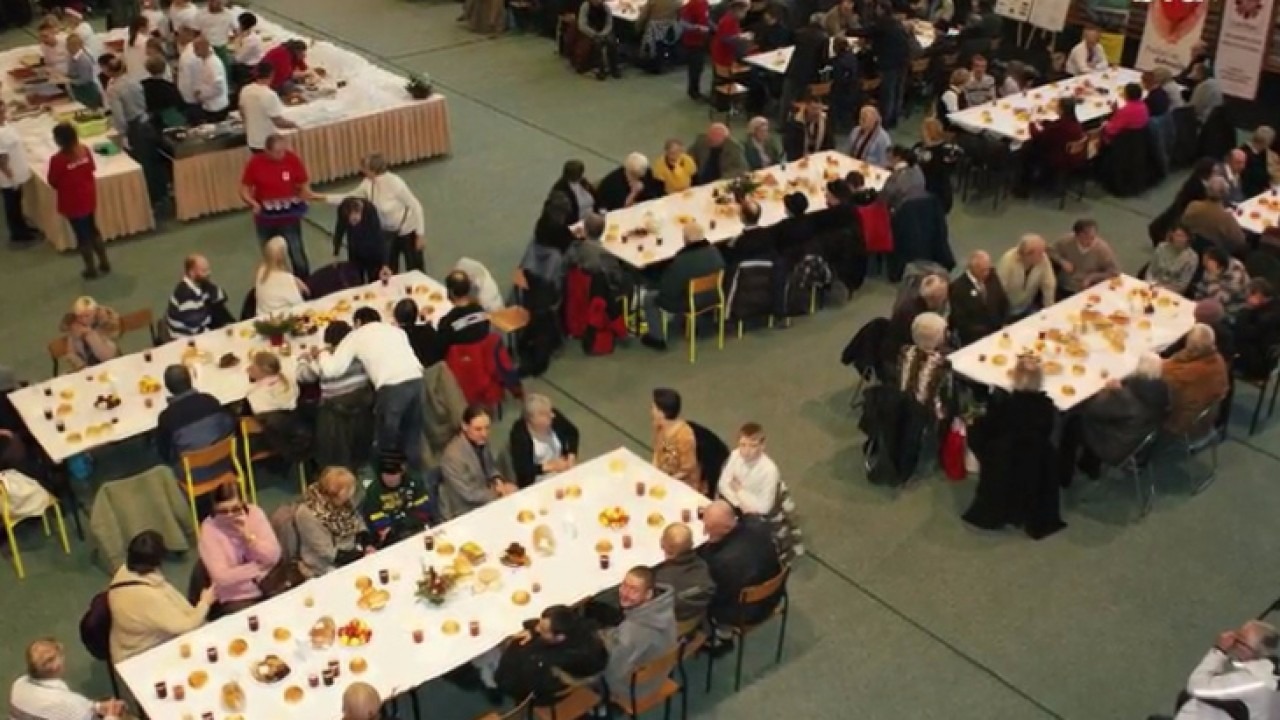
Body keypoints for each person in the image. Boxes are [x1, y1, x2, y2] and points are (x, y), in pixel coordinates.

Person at [314, 307, 426, 472]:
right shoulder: (396, 330)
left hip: (392, 388)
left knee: (387, 443)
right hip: (417, 381)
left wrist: (322, 354)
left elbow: (332, 370)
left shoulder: (355, 336)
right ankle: (417, 480)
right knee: (413, 437)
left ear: (358, 322)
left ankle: (387, 483)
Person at [963, 356, 1064, 539]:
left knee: (976, 432)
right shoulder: (1046, 406)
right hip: (1036, 460)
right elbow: (1048, 431)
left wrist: (972, 423)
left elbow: (989, 428)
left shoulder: (1004, 406)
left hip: (1003, 458)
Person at [109, 530, 214, 662]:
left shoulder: (124, 572)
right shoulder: (147, 597)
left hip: (132, 642)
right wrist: (205, 602)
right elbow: (185, 626)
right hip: (141, 655)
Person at [241, 134, 324, 277]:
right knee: (271, 256)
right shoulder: (255, 163)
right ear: (267, 151)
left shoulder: (291, 159)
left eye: (283, 151)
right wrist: (252, 203)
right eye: (278, 152)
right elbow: (244, 188)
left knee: (297, 252)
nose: (282, 155)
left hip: (289, 217)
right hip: (265, 219)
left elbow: (303, 182)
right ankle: (279, 282)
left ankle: (305, 283)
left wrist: (305, 195)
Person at [1159, 621, 1279, 720]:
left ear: (1249, 650)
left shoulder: (1253, 683)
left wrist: (1219, 650)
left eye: (1238, 640)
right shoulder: (1268, 676)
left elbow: (1196, 686)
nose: (1233, 643)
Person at [718, 422, 802, 562]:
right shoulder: (735, 456)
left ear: (762, 447)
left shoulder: (770, 470)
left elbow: (764, 507)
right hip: (746, 506)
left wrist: (739, 491)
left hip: (767, 511)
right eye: (743, 445)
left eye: (752, 446)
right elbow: (723, 485)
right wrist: (741, 504)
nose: (746, 451)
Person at [698, 500, 783, 638]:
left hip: (747, 612)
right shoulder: (759, 526)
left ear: (724, 528)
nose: (705, 532)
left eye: (709, 528)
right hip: (774, 595)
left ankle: (721, 634)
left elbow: (717, 596)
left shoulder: (722, 560)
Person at [493, 604, 608, 703]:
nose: (537, 629)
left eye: (542, 630)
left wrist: (517, 647)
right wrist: (533, 631)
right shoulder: (583, 629)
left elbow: (525, 686)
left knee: (515, 647)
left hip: (552, 694)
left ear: (559, 637)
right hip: (586, 678)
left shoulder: (545, 658)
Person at [197, 482, 281, 615]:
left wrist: (250, 540)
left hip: (269, 582)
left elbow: (274, 555)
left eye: (236, 508)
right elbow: (221, 577)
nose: (230, 515)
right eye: (223, 511)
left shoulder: (254, 514)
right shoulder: (209, 530)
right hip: (236, 595)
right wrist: (257, 568)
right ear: (214, 509)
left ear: (243, 503)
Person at [639, 221, 724, 351]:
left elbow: (668, 291)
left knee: (650, 298)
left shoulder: (682, 261)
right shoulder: (715, 252)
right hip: (713, 295)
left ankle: (657, 338)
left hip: (689, 301)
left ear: (685, 239)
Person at [1078, 352, 1170, 468]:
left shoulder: (1128, 400)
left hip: (1117, 446)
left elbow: (1093, 410)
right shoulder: (1162, 391)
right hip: (1139, 439)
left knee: (1077, 418)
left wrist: (1108, 393)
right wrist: (1120, 392)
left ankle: (1088, 465)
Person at [341, 154, 427, 272]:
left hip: (407, 231)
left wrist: (420, 235)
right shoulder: (367, 183)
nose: (362, 170)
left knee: (415, 269)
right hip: (387, 233)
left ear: (373, 170)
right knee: (389, 269)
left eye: (364, 168)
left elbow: (416, 206)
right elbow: (349, 197)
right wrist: (322, 198)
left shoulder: (395, 183)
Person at [602, 567, 677, 698]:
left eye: (634, 590)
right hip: (661, 671)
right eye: (624, 586)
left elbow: (612, 672)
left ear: (648, 594)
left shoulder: (632, 632)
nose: (625, 593)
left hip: (637, 687)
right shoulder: (663, 606)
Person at [102, 57, 165, 213]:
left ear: (109, 72)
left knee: (142, 163)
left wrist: (122, 134)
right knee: (153, 160)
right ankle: (161, 194)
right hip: (146, 121)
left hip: (135, 127)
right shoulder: (134, 81)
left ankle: (149, 200)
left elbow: (119, 115)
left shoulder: (114, 89)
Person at [280, 467, 368, 577]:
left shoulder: (342, 501)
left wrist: (366, 541)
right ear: (335, 493)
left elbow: (356, 521)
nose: (351, 496)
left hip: (350, 552)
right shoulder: (307, 513)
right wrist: (360, 556)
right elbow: (326, 552)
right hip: (323, 567)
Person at [48, 123, 109, 279]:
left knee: (82, 236)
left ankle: (90, 269)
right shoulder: (84, 151)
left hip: (73, 202)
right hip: (88, 197)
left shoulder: (58, 160)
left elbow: (53, 181)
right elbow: (92, 169)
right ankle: (104, 261)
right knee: (93, 229)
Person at [10, 639, 126, 720]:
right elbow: (72, 709)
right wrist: (111, 715)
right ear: (57, 667)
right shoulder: (69, 704)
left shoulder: (18, 684)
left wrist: (97, 707)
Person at [439, 404, 517, 520]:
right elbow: (469, 494)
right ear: (465, 426)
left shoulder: (479, 441)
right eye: (478, 429)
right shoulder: (453, 457)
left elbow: (490, 467)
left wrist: (498, 480)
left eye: (487, 428)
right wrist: (499, 493)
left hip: (486, 495)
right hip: (465, 510)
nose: (484, 434)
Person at [155, 364, 236, 467]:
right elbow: (230, 426)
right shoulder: (209, 400)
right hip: (225, 462)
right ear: (190, 380)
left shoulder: (166, 418)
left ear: (168, 387)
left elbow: (165, 454)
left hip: (192, 473)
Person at [1162, 324, 1229, 434]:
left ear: (1188, 344)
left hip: (1180, 425)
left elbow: (1161, 394)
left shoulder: (1178, 373)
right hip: (1207, 420)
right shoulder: (1219, 360)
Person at [855, 2, 910, 128]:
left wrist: (849, 31)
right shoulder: (896, 22)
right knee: (898, 90)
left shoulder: (882, 23)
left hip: (890, 61)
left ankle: (886, 121)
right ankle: (895, 118)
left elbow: (866, 32)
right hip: (903, 60)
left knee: (888, 92)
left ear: (881, 10)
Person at [360, 449, 431, 547]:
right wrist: (392, 529)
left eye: (394, 475)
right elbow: (376, 520)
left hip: (416, 530)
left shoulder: (415, 481)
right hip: (390, 538)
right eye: (386, 475)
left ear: (402, 471)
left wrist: (402, 523)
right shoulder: (374, 490)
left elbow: (424, 511)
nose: (390, 479)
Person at [508, 394, 579, 487]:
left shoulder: (554, 418)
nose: (552, 415)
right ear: (533, 419)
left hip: (563, 470)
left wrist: (571, 455)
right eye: (546, 414)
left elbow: (573, 432)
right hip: (537, 481)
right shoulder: (519, 435)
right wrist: (550, 466)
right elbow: (523, 469)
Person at [655, 523, 715, 625]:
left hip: (672, 625)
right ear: (692, 544)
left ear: (663, 544)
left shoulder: (661, 579)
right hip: (699, 618)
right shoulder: (703, 565)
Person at [1020, 96, 1085, 189]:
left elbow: (1038, 136)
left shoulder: (1059, 127)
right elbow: (1053, 129)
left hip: (1060, 157)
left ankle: (1024, 185)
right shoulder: (1075, 123)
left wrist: (1031, 123)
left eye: (1058, 106)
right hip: (1075, 155)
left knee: (1028, 147)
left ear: (1062, 110)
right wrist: (1045, 123)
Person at [884, 274, 948, 365]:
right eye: (943, 297)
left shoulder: (913, 303)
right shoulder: (920, 319)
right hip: (899, 360)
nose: (945, 300)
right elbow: (922, 347)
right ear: (936, 299)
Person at [949, 250, 1008, 346]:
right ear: (972, 269)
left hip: (998, 330)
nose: (987, 273)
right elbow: (961, 321)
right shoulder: (958, 288)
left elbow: (1003, 300)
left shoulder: (991, 274)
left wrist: (1005, 322)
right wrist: (986, 333)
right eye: (983, 270)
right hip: (975, 339)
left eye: (988, 269)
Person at [650, 388, 702, 492]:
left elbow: (687, 469)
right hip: (663, 475)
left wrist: (667, 481)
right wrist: (654, 471)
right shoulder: (658, 426)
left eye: (653, 408)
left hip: (683, 483)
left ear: (661, 413)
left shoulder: (685, 436)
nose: (651, 411)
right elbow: (657, 451)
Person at [239, 62, 298, 154]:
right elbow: (278, 122)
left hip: (252, 140)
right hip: (268, 143)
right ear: (272, 75)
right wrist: (295, 125)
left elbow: (242, 112)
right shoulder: (269, 95)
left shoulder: (245, 89)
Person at [1049, 218, 1118, 296]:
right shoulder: (1066, 241)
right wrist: (1062, 261)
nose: (1090, 242)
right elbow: (1050, 251)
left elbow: (1114, 272)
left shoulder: (1102, 249)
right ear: (1076, 236)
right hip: (1064, 285)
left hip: (1087, 289)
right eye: (1085, 238)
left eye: (1092, 238)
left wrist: (1092, 277)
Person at [166, 254, 231, 337]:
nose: (209, 273)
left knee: (220, 309)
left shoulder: (198, 283)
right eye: (204, 271)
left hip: (200, 319)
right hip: (187, 337)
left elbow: (221, 296)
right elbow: (196, 330)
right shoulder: (186, 297)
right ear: (192, 273)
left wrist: (210, 286)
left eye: (208, 269)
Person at [332, 196, 391, 284]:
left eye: (355, 220)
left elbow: (380, 238)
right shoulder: (343, 209)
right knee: (355, 279)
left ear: (360, 212)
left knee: (374, 281)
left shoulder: (370, 210)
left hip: (373, 251)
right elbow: (339, 230)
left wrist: (385, 264)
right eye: (350, 222)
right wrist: (335, 253)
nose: (353, 224)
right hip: (355, 250)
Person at [1182, 176, 1246, 257]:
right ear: (1225, 194)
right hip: (1216, 256)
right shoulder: (1226, 218)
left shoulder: (1193, 206)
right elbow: (1240, 241)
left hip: (1191, 249)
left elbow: (1183, 224)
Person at [996, 234, 1056, 318]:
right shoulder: (1008, 261)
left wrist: (1050, 310)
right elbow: (998, 290)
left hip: (1027, 306)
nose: (1043, 255)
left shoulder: (1043, 259)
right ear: (1028, 254)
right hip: (1008, 309)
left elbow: (1049, 284)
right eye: (1040, 253)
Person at [0, 104, 35, 244]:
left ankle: (23, 226)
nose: (5, 113)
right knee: (12, 205)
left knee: (18, 202)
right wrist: (11, 177)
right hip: (9, 177)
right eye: (2, 111)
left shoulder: (5, 125)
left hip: (18, 172)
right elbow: (2, 160)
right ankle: (18, 232)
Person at [59, 296, 120, 371]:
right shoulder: (75, 328)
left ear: (95, 313)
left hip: (112, 365)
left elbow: (106, 357)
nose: (83, 320)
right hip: (88, 370)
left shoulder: (106, 326)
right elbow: (71, 353)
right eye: (80, 317)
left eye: (87, 316)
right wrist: (81, 366)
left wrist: (90, 335)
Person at [1235, 279, 1280, 379]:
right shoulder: (1272, 306)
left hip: (1259, 363)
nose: (1248, 298)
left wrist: (1247, 309)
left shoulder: (1270, 316)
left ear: (1259, 295)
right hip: (1260, 352)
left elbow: (1246, 333)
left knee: (1232, 336)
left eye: (1250, 295)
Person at [177, 37, 229, 122]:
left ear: (203, 48)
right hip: (211, 104)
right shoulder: (206, 62)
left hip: (216, 107)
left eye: (196, 49)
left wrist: (201, 94)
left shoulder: (213, 65)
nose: (194, 52)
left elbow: (218, 87)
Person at [438, 270, 492, 351]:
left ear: (451, 292)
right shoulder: (482, 312)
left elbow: (442, 349)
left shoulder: (447, 323)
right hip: (482, 358)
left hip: (460, 361)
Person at [254, 236, 308, 315]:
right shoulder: (286, 279)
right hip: (281, 320)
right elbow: (300, 305)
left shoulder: (261, 270)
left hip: (262, 315)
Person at [1192, 246, 1250, 317]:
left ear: (1216, 262)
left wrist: (1213, 278)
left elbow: (1220, 300)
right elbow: (1201, 287)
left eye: (1206, 261)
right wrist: (1196, 302)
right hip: (1210, 301)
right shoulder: (1210, 266)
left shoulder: (1236, 271)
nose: (1204, 264)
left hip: (1232, 308)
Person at [596, 152, 662, 211]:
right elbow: (619, 210)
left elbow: (652, 194)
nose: (640, 178)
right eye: (635, 175)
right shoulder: (613, 184)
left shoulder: (645, 172)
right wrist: (634, 193)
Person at [1144, 224, 1199, 294]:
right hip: (1153, 285)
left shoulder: (1192, 258)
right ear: (1172, 235)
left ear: (1188, 238)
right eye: (1177, 235)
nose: (1180, 239)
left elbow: (1182, 285)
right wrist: (1150, 283)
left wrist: (1162, 289)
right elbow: (1151, 271)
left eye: (1183, 236)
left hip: (1171, 292)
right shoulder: (1161, 247)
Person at [392, 298, 444, 369]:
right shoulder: (428, 330)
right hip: (432, 370)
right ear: (416, 315)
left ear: (396, 317)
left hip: (410, 373)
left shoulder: (395, 336)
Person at [577, 0, 620, 80]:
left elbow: (609, 24)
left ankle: (614, 68)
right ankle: (600, 69)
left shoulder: (605, 7)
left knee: (612, 42)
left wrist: (603, 33)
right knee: (597, 44)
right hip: (590, 32)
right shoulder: (585, 6)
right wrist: (594, 34)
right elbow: (582, 25)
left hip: (603, 32)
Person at [142, 55, 185, 130]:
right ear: (164, 68)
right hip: (168, 122)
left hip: (150, 121)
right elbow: (180, 105)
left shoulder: (142, 85)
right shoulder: (169, 87)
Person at [880, 144, 926, 212]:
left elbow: (885, 197)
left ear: (897, 158)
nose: (888, 163)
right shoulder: (916, 168)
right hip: (915, 207)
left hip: (898, 210)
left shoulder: (898, 175)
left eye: (889, 159)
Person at [550, 159, 598, 224]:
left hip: (592, 218)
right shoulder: (560, 191)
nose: (581, 176)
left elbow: (595, 195)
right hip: (576, 224)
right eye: (579, 174)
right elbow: (563, 219)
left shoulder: (582, 182)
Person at [1239, 126, 1280, 199]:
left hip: (1264, 190)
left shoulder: (1262, 152)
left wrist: (1268, 187)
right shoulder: (1244, 154)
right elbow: (1245, 181)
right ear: (1265, 142)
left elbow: (1264, 172)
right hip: (1251, 194)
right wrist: (1262, 192)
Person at [63, 33, 101, 109]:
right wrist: (62, 76)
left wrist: (67, 80)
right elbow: (72, 73)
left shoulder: (83, 60)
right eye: (68, 45)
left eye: (72, 45)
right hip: (78, 91)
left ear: (79, 45)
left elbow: (84, 80)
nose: (69, 48)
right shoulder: (72, 57)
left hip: (87, 92)